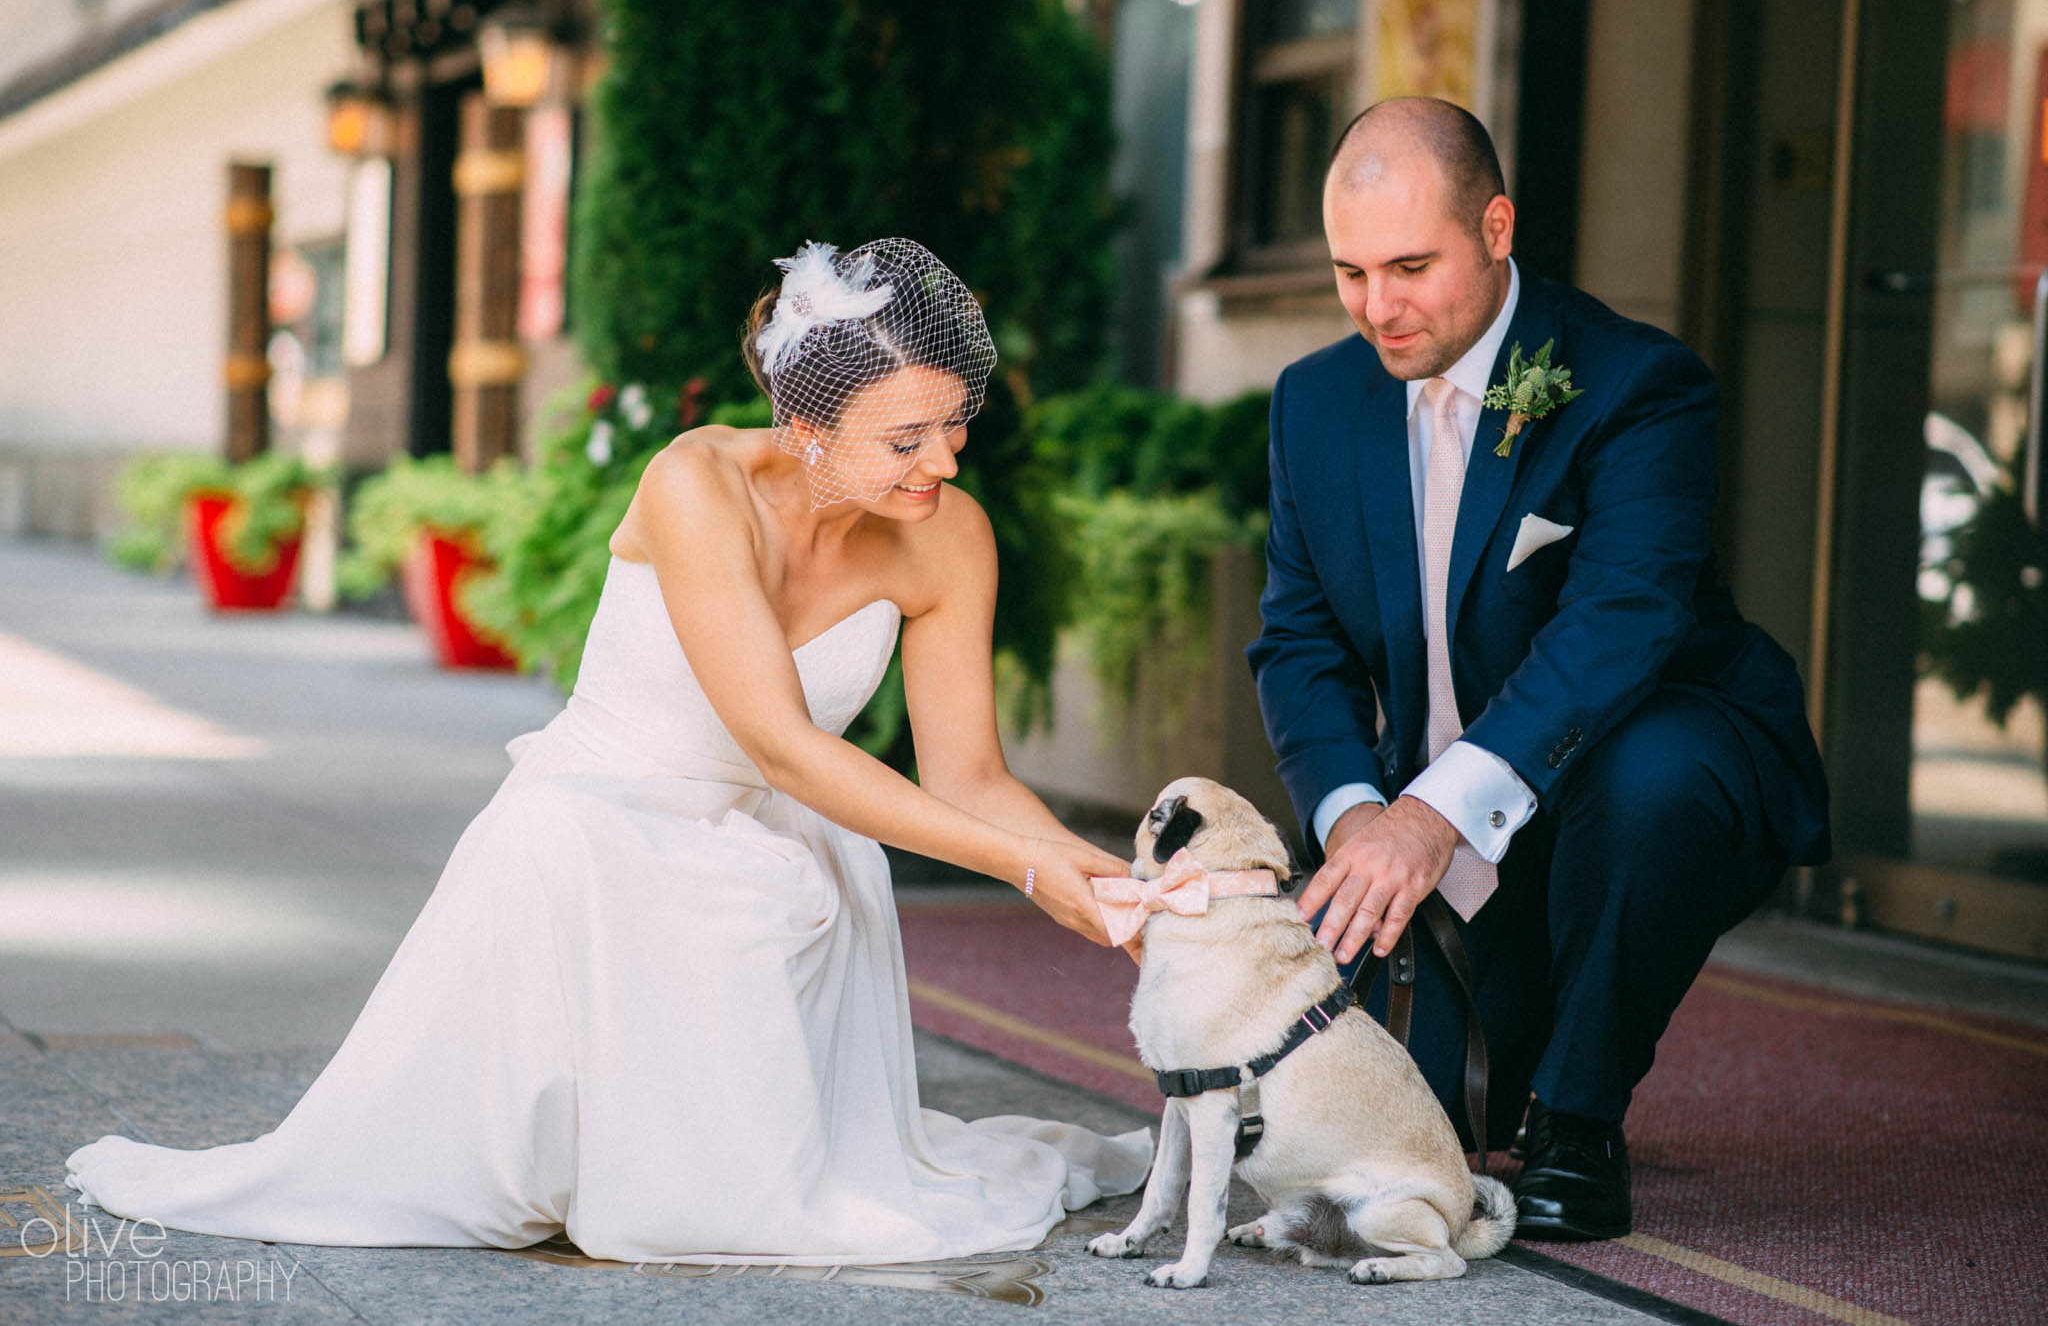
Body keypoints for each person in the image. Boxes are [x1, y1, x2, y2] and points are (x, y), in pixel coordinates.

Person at [67, 237, 1151, 1263]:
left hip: (778, 843)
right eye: (906, 438)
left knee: (821, 872)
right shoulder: (694, 484)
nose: (944, 459)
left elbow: (968, 775)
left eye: (954, 424)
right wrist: (1019, 867)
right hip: (595, 822)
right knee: (570, 845)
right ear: (807, 423)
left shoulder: (948, 533)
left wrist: (1097, 874)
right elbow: (778, 743)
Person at [1246, 100, 1830, 1241]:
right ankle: (1509, 1056)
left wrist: (1433, 812)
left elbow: (1621, 619)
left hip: (1643, 772)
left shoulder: (1634, 383)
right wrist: (1358, 815)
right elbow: (1296, 639)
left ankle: (1576, 1116)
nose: (1378, 306)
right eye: (1350, 272)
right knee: (1369, 1137)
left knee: (1650, 774)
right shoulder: (1312, 401)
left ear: (1496, 226)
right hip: (1433, 816)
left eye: (1410, 265)